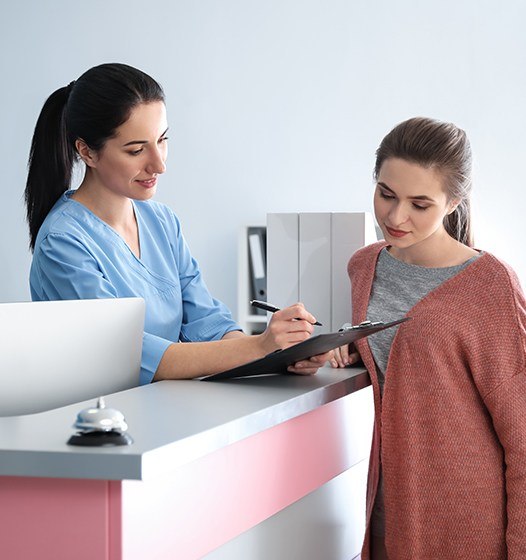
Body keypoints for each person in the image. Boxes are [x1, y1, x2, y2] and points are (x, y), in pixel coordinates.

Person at [25, 62, 331, 385]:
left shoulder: (161, 222)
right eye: (136, 150)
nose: (159, 164)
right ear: (87, 152)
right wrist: (260, 346)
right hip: (101, 425)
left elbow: (208, 323)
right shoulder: (62, 242)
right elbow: (134, 357)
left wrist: (281, 353)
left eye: (162, 140)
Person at [336, 117, 526, 559]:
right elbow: (409, 370)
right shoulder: (363, 266)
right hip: (386, 509)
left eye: (420, 204)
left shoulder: (491, 286)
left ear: (453, 202)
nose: (396, 216)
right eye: (386, 194)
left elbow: (522, 435)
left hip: (465, 526)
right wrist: (339, 349)